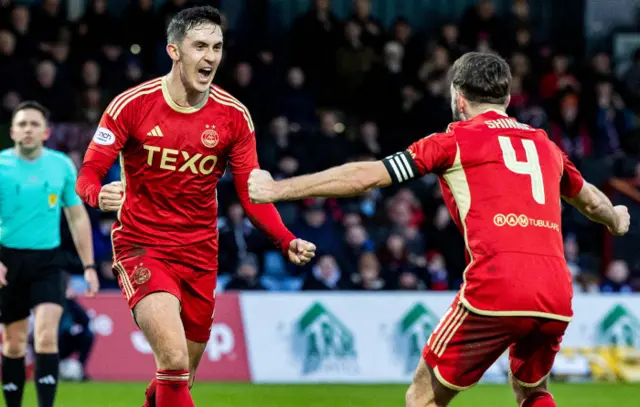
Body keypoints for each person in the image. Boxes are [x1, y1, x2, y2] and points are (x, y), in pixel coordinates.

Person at [247, 52, 630, 407]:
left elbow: (367, 176)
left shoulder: (454, 141)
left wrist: (278, 189)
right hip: (556, 292)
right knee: (532, 389)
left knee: (423, 397)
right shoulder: (545, 145)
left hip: (498, 285)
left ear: (458, 97)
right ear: (507, 98)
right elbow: (593, 202)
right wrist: (616, 217)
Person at [74, 6, 315, 407]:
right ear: (174, 50)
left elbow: (251, 193)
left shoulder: (234, 116)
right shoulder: (131, 105)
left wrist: (284, 239)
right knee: (171, 361)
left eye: (217, 47)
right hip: (142, 245)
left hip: (201, 253)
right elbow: (89, 172)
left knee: (179, 377)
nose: (211, 57)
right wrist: (98, 194)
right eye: (200, 46)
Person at [0, 101, 99, 407]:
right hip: (8, 261)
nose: (28, 129)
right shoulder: (1, 166)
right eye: (22, 124)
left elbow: (77, 216)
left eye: (34, 124)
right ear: (13, 131)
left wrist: (89, 265)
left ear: (46, 132)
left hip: (48, 262)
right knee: (14, 345)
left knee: (45, 336)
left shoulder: (61, 166)